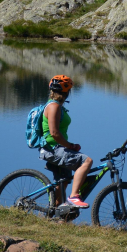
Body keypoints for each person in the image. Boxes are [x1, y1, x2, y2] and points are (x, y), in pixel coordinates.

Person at [39, 75, 92, 208]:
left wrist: (69, 146)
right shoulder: (53, 107)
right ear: (66, 92)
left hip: (56, 149)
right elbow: (54, 133)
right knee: (87, 161)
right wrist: (71, 146)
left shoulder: (57, 107)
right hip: (53, 149)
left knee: (62, 183)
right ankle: (74, 196)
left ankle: (56, 215)